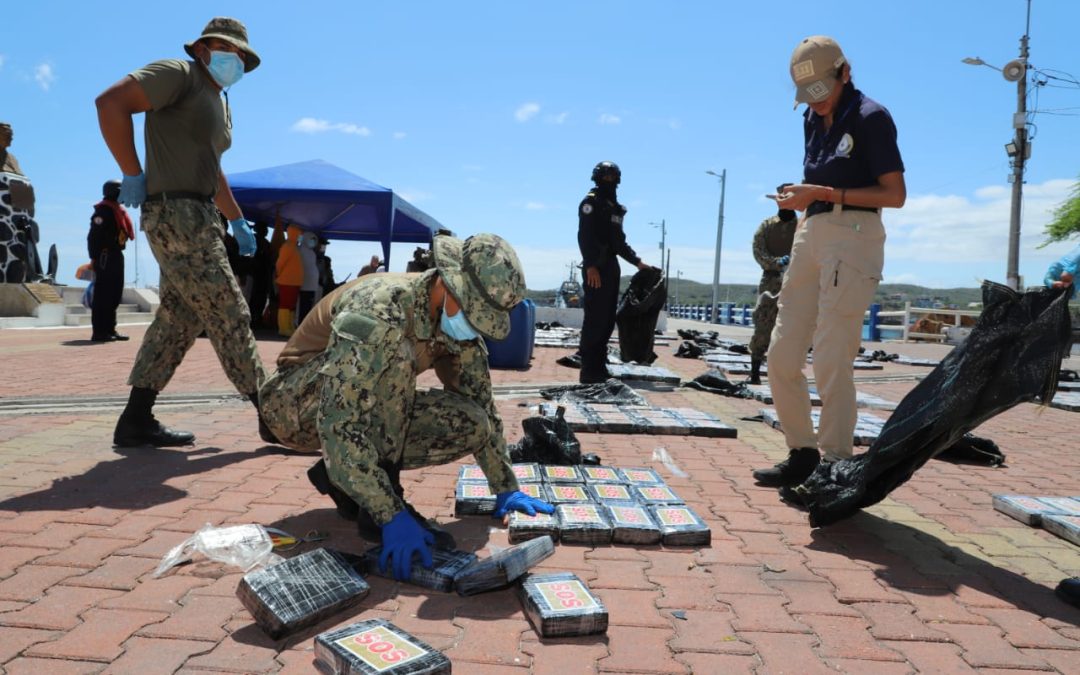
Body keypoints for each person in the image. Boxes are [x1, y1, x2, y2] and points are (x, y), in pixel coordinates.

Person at [259, 233, 554, 581]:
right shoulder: (380, 309)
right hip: (293, 407)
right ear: (446, 283)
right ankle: (376, 500)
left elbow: (483, 405)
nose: (475, 325)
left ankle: (347, 476)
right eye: (474, 312)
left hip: (357, 407)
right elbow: (339, 422)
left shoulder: (456, 324)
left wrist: (505, 486)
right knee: (396, 357)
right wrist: (390, 513)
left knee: (472, 422)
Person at [95, 17, 267, 447]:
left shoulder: (219, 99)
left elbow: (213, 166)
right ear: (204, 48)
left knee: (178, 319)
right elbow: (110, 103)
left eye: (243, 56)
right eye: (231, 51)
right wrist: (132, 172)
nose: (238, 60)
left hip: (200, 213)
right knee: (228, 309)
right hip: (176, 213)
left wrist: (236, 219)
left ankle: (136, 418)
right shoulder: (179, 74)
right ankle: (274, 412)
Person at [752, 36, 906, 487]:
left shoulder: (871, 117)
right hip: (811, 231)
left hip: (854, 234)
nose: (815, 104)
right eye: (808, 96)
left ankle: (834, 462)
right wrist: (801, 200)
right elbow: (818, 180)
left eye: (822, 92)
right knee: (781, 353)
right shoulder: (811, 120)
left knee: (832, 357)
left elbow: (894, 195)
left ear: (844, 72)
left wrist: (818, 193)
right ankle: (801, 452)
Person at [576, 161, 651, 384]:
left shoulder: (613, 205)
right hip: (595, 268)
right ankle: (589, 370)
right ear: (598, 178)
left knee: (607, 320)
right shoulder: (591, 202)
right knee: (595, 320)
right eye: (605, 177)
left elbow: (618, 242)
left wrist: (637, 262)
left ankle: (599, 366)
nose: (609, 181)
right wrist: (590, 265)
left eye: (612, 177)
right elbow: (584, 236)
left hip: (610, 266)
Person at [747, 197, 798, 384]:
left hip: (796, 281)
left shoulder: (802, 226)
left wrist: (794, 263)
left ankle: (786, 376)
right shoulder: (766, 226)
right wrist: (775, 263)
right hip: (770, 281)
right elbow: (757, 250)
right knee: (763, 324)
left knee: (793, 328)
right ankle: (755, 372)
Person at [87, 180, 134, 342]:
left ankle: (110, 328)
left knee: (114, 293)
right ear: (114, 192)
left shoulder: (117, 210)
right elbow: (93, 237)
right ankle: (99, 331)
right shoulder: (103, 211)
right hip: (105, 256)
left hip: (116, 254)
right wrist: (94, 257)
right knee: (103, 294)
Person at [275, 225, 303, 336]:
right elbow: (280, 263)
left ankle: (289, 327)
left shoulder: (293, 246)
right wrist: (279, 275)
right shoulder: (287, 246)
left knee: (291, 306)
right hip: (287, 281)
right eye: (299, 234)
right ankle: (283, 328)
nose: (300, 237)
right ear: (294, 234)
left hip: (294, 282)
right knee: (285, 305)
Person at [298, 231, 320, 323]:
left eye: (314, 240)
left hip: (312, 284)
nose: (313, 242)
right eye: (311, 240)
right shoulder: (299, 250)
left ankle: (305, 323)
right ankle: (299, 323)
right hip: (303, 283)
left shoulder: (312, 253)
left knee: (309, 305)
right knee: (302, 305)